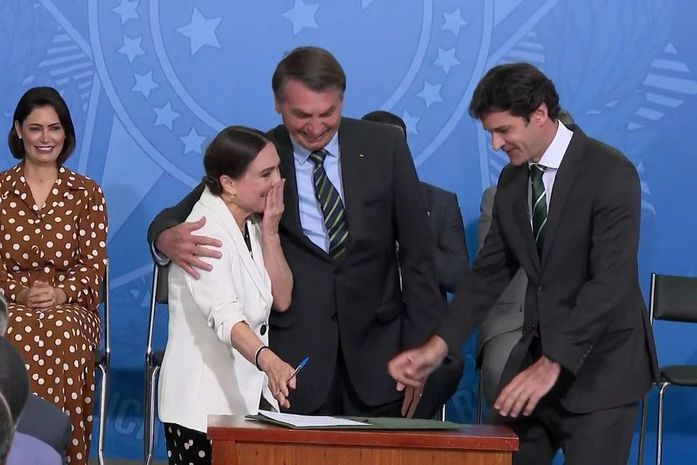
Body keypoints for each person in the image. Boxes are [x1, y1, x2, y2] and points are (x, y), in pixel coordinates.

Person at [148, 46, 441, 417]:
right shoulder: (262, 155)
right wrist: (163, 238)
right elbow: (176, 215)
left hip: (382, 358)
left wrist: (418, 349)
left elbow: (418, 256)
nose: (316, 127)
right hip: (294, 366)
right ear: (278, 104)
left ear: (342, 100)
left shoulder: (385, 146)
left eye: (328, 114)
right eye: (302, 115)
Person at [388, 62, 658, 464]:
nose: (496, 145)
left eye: (503, 131)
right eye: (490, 134)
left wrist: (555, 363)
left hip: (603, 370)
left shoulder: (610, 172)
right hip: (535, 369)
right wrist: (436, 345)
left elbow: (610, 283)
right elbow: (488, 275)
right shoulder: (514, 183)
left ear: (539, 115)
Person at [158, 126, 296, 465]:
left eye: (278, 169)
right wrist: (270, 361)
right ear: (229, 184)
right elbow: (225, 316)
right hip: (201, 411)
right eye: (266, 174)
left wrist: (272, 232)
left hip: (240, 407)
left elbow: (282, 299)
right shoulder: (204, 232)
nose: (278, 181)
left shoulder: (250, 226)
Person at [0, 86, 108, 465]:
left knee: (60, 329)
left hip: (72, 307)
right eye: (35, 128)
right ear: (18, 131)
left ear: (66, 134)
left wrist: (60, 294)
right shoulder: (0, 190)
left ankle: (59, 456)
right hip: (9, 304)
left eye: (54, 128)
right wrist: (20, 293)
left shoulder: (86, 194)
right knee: (17, 331)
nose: (46, 138)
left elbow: (94, 266)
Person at [361, 110, 466, 418]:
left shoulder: (440, 203)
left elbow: (458, 277)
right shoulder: (339, 205)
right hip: (362, 334)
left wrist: (410, 241)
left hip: (423, 335)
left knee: (443, 369)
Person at [475, 187, 526, 407]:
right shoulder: (498, 196)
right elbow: (487, 269)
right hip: (514, 321)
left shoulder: (591, 192)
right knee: (503, 370)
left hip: (574, 320)